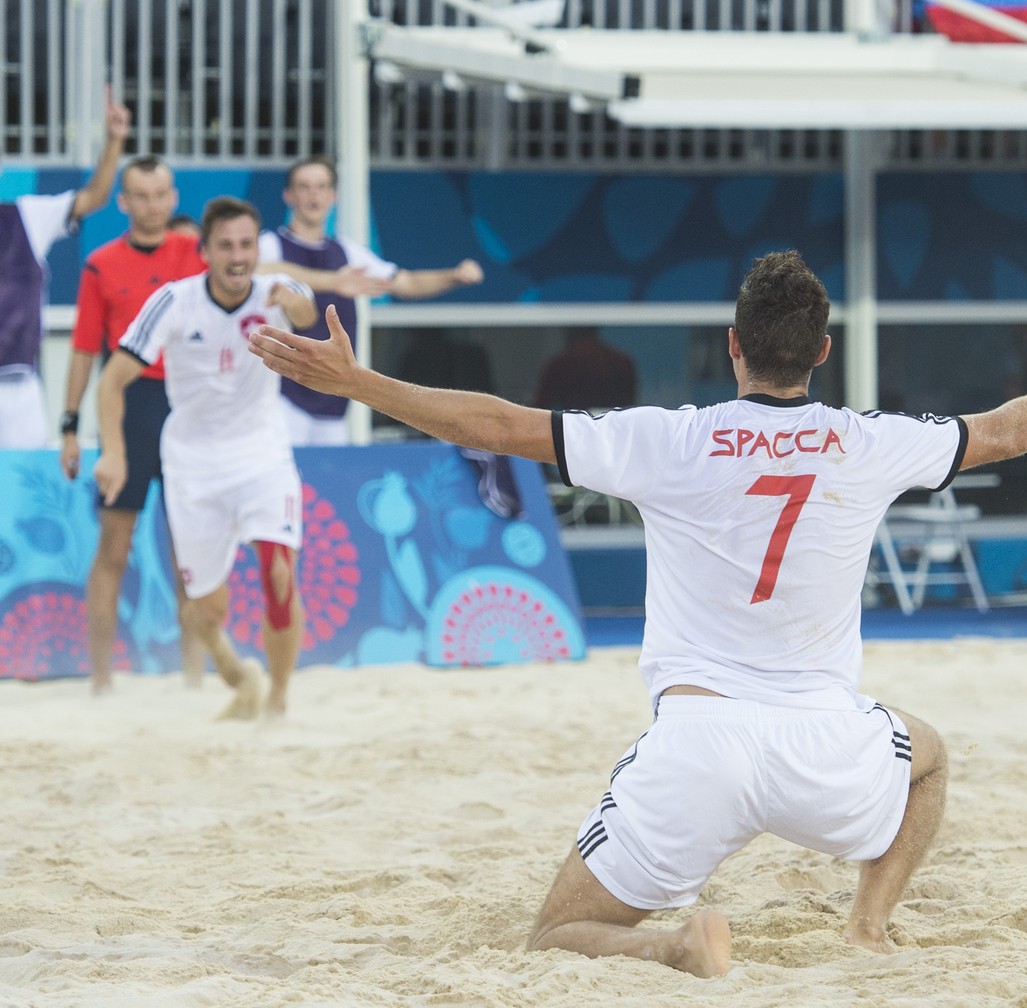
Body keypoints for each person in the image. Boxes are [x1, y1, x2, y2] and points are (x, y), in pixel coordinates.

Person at [248, 250, 1027, 976]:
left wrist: (360, 384)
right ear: (821, 351)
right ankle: (868, 927)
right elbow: (1011, 428)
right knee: (927, 758)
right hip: (828, 744)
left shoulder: (669, 439)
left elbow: (496, 425)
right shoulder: (869, 442)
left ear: (732, 345)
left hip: (697, 744)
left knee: (561, 930)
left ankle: (673, 950)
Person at [95, 197, 315, 719]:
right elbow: (112, 380)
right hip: (192, 462)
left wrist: (294, 299)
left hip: (262, 452)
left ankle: (278, 705)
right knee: (204, 608)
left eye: (246, 245)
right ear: (205, 251)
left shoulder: (277, 292)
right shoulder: (174, 301)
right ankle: (231, 669)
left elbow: (306, 309)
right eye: (226, 246)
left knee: (279, 575)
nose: (237, 256)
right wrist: (113, 452)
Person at [60, 155, 209, 694]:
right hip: (128, 407)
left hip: (189, 406)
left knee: (190, 551)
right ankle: (101, 681)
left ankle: (194, 677)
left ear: (174, 199)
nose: (150, 205)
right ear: (122, 202)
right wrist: (71, 427)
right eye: (139, 195)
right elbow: (82, 351)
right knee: (114, 549)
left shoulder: (200, 255)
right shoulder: (100, 263)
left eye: (159, 194)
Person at [256, 155, 485, 445]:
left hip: (334, 400)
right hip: (282, 395)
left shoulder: (350, 253)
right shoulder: (270, 245)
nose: (314, 195)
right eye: (304, 187)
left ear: (333, 196)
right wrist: (333, 282)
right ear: (288, 195)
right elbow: (256, 269)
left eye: (322, 187)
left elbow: (406, 283)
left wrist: (454, 276)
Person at [0, 88, 130, 448]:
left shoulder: (26, 215)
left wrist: (115, 141)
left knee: (22, 495)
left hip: (16, 389)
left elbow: (94, 197)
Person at [531, 326, 638, 411]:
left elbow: (540, 406)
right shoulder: (620, 361)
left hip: (573, 432)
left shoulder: (562, 363)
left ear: (570, 331)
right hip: (611, 431)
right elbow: (630, 405)